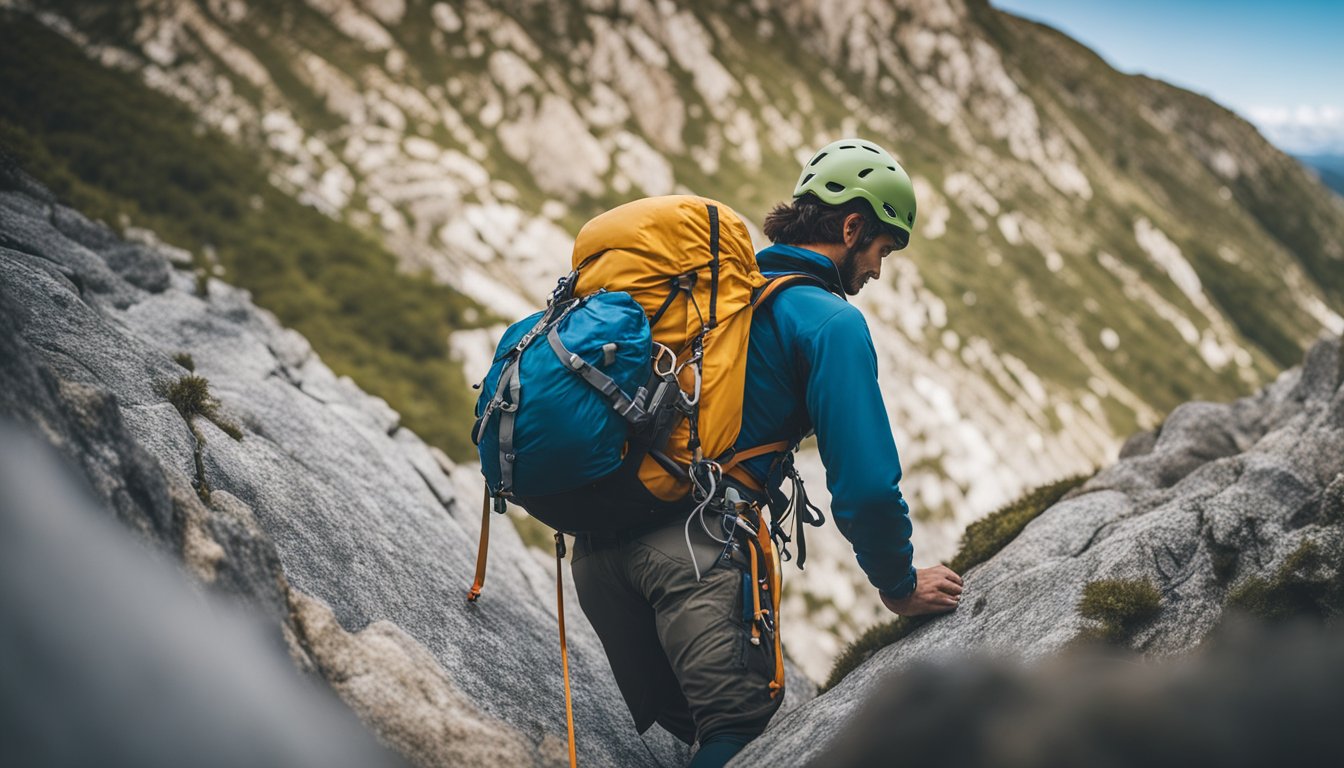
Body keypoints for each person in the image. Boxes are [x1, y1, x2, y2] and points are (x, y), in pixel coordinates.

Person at [570, 138, 964, 768]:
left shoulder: (716, 296)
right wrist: (898, 583)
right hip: (692, 554)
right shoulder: (829, 322)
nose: (878, 271)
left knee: (693, 734)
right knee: (736, 736)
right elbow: (864, 485)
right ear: (852, 226)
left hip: (596, 554)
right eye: (882, 250)